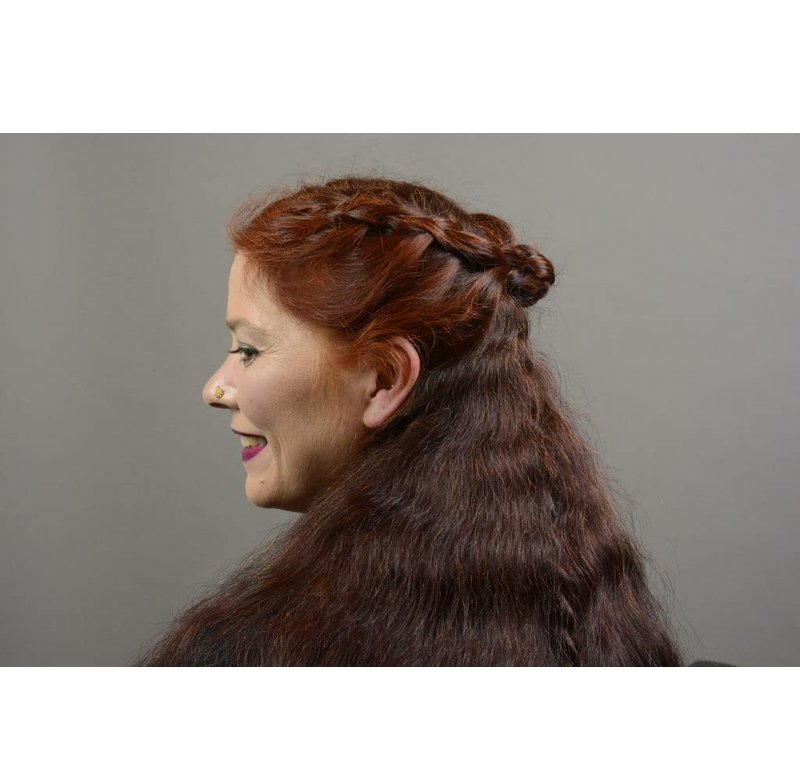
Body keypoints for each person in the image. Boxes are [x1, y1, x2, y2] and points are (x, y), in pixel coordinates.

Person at [132, 174, 685, 666]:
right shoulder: (596, 623)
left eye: (249, 350)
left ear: (384, 379)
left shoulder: (252, 656)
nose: (215, 389)